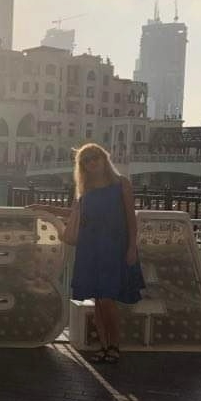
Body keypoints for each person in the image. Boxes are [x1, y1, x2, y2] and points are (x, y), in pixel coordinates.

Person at [66, 143, 144, 363]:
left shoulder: (122, 184)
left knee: (108, 300)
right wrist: (44, 208)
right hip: (90, 247)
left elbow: (131, 219)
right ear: (82, 165)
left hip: (114, 247)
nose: (92, 162)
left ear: (104, 159)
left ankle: (114, 345)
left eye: (95, 157)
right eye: (86, 160)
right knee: (99, 301)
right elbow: (75, 215)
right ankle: (104, 345)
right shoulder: (85, 188)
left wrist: (132, 247)